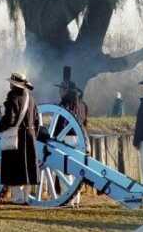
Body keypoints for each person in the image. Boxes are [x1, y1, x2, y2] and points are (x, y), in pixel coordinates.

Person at [0, 72, 40, 204]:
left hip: (17, 136)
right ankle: (26, 197)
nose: (9, 84)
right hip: (30, 135)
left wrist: (0, 127)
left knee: (14, 166)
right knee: (28, 167)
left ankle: (17, 198)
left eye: (11, 82)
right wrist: (33, 135)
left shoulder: (13, 97)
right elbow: (37, 120)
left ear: (14, 85)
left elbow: (10, 119)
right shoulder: (31, 98)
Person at [53, 74, 89, 207]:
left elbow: (61, 124)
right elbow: (85, 124)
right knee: (76, 171)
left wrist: (55, 138)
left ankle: (67, 198)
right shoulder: (83, 105)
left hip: (66, 138)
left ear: (66, 90)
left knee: (65, 170)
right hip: (80, 140)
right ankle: (76, 199)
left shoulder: (65, 104)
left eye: (61, 89)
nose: (59, 91)